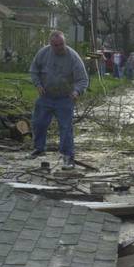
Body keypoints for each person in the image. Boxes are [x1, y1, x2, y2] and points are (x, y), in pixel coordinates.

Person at [29, 31, 89, 169]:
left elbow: (83, 79)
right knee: (38, 122)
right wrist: (37, 84)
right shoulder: (43, 53)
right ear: (51, 44)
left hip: (65, 98)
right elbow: (33, 70)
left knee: (66, 127)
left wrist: (76, 91)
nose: (59, 47)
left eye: (61, 44)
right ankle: (39, 148)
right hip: (46, 95)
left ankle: (68, 156)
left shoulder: (73, 57)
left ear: (64, 42)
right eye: (55, 45)